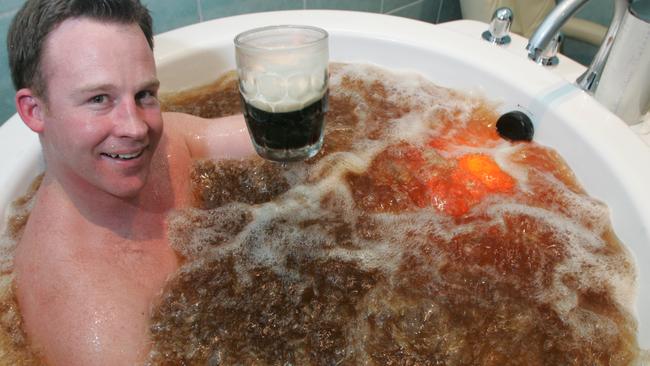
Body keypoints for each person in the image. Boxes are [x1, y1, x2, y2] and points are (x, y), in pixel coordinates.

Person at [7, 0, 255, 364]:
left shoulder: (165, 145)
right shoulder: (97, 327)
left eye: (143, 95)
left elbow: (270, 141)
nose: (136, 127)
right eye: (99, 99)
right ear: (34, 111)